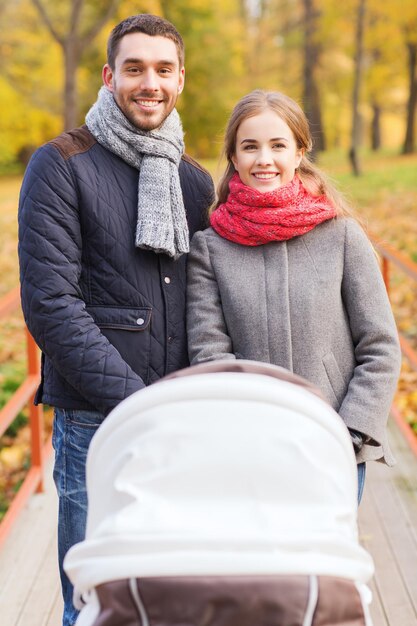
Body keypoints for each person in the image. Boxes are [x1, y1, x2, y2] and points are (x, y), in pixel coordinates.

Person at [18, 13, 214, 626]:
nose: (148, 82)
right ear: (109, 76)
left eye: (162, 69)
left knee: (176, 594)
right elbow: (51, 306)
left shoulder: (192, 179)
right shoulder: (61, 164)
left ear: (181, 80)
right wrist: (137, 405)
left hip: (182, 418)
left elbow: (213, 292)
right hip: (97, 422)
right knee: (96, 601)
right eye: (134, 68)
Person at [186, 89, 401, 502]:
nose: (264, 159)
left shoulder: (340, 235)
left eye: (278, 145)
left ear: (300, 152)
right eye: (250, 147)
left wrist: (348, 432)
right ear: (233, 157)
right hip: (249, 451)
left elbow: (380, 346)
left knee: (325, 563)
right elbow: (210, 352)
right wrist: (252, 435)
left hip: (334, 447)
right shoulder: (210, 249)